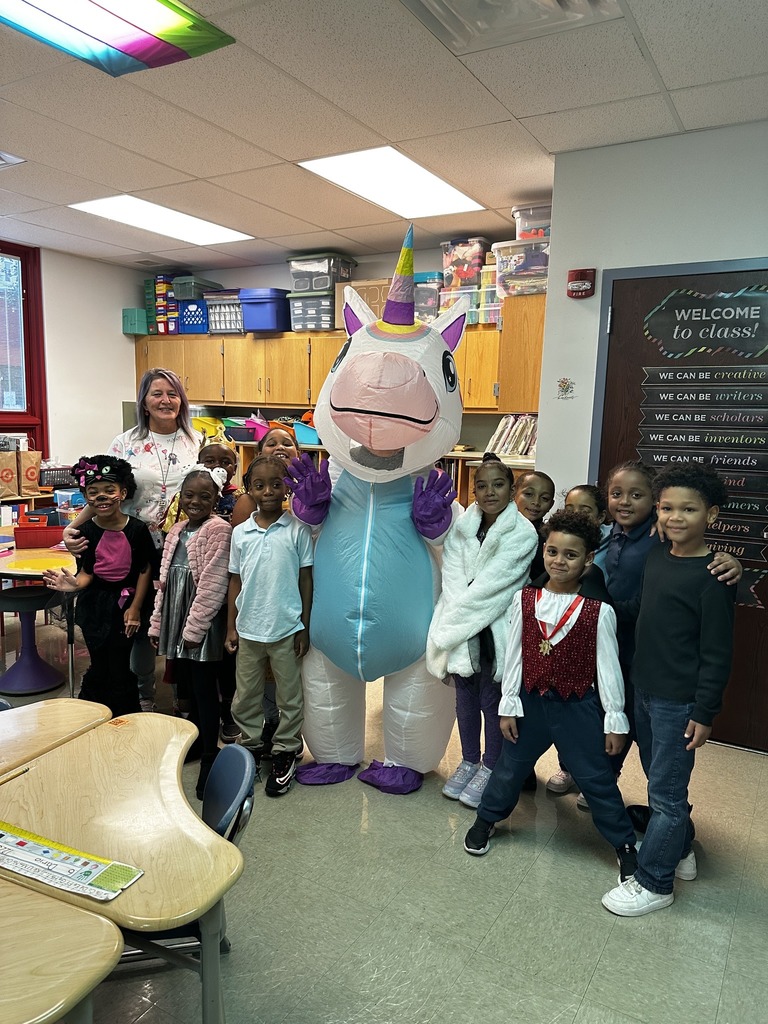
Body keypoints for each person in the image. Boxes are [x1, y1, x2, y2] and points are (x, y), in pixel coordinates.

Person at [463, 510, 638, 888]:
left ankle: (624, 843)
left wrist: (614, 719)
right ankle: (487, 818)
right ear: (543, 551)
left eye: (571, 555)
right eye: (552, 551)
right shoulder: (524, 599)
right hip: (531, 703)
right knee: (510, 768)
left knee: (596, 777)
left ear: (588, 559)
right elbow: (515, 656)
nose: (559, 561)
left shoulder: (598, 611)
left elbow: (609, 669)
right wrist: (509, 704)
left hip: (579, 707)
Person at [602, 463, 735, 917]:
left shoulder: (714, 576)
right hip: (643, 689)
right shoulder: (658, 556)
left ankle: (655, 883)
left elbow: (717, 653)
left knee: (666, 795)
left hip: (678, 703)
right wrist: (595, 608)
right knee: (662, 779)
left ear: (711, 514)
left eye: (688, 509)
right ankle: (680, 850)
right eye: (667, 508)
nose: (675, 517)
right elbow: (641, 607)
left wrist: (705, 711)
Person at [63, 368, 201, 711]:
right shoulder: (125, 443)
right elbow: (104, 493)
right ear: (144, 402)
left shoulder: (197, 441)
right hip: (133, 544)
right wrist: (72, 528)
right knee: (137, 622)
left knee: (183, 617)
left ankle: (185, 694)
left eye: (172, 393)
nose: (165, 400)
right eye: (157, 393)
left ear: (181, 400)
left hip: (185, 546)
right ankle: (143, 694)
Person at [427, 453, 538, 808]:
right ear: (473, 490)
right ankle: (468, 761)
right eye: (482, 485)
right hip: (462, 630)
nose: (490, 492)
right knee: (465, 701)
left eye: (498, 484)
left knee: (492, 704)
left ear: (511, 489)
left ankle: (490, 766)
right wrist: (457, 614)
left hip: (494, 629)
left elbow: (496, 586)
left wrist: (454, 620)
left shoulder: (523, 533)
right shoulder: (462, 526)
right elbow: (452, 574)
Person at [226, 454, 313, 797]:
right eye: (259, 485)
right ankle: (250, 744)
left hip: (286, 628)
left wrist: (304, 625)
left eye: (276, 484)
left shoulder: (298, 530)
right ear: (248, 488)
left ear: (287, 488)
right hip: (248, 628)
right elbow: (235, 581)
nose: (268, 492)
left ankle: (285, 748)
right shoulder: (240, 533)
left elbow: (306, 579)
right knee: (246, 695)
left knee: (289, 696)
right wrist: (231, 627)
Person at [43, 455, 157, 717]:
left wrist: (135, 608)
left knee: (120, 664)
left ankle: (123, 717)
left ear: (122, 493)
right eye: (93, 492)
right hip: (94, 606)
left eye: (109, 490)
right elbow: (87, 573)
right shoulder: (86, 532)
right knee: (99, 663)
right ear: (85, 497)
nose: (102, 497)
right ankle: (93, 715)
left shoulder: (137, 530)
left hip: (125, 607)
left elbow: (144, 569)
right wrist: (74, 585)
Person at [149, 466, 232, 799]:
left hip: (201, 620)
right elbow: (164, 580)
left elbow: (213, 584)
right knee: (188, 687)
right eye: (189, 495)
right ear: (179, 497)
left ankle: (211, 755)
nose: (195, 501)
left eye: (204, 496)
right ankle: (197, 741)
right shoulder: (177, 530)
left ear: (216, 500)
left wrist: (194, 628)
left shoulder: (219, 529)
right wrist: (158, 622)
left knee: (204, 688)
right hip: (176, 614)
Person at [230, 426, 300, 528]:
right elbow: (239, 535)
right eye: (272, 444)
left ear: (298, 455)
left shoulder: (307, 489)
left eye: (287, 444)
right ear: (260, 455)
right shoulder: (249, 499)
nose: (280, 447)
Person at [513, 470, 556, 579]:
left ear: (551, 504)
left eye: (544, 498)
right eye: (529, 494)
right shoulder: (499, 526)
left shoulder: (549, 537)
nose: (536, 502)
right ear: (513, 494)